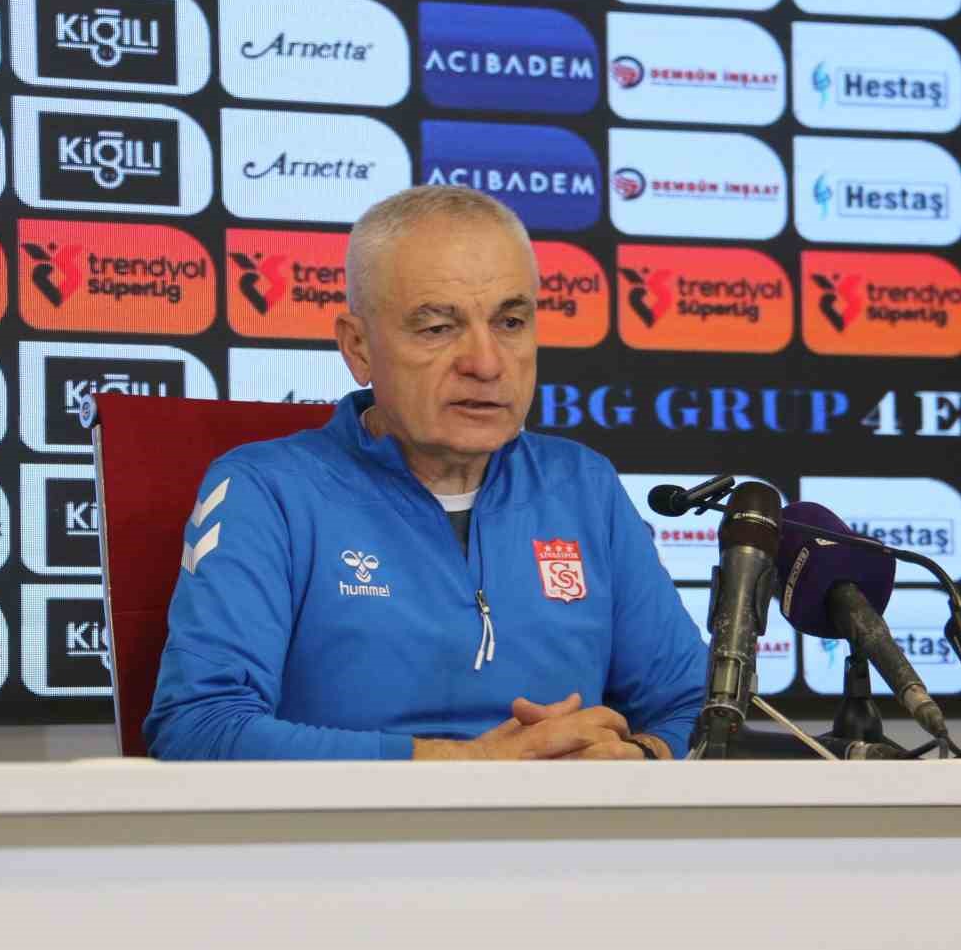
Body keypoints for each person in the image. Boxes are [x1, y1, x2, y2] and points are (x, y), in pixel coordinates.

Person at [144, 186, 707, 760]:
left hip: (565, 821)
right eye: (438, 328)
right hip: (357, 821)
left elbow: (698, 708)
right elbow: (199, 729)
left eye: (511, 322)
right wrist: (463, 766)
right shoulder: (266, 492)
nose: (486, 363)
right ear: (358, 347)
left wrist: (639, 758)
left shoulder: (583, 486)